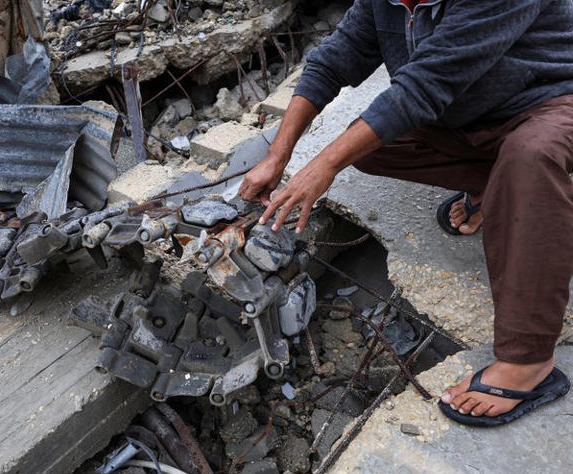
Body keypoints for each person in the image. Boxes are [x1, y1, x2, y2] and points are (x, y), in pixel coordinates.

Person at [238, 0, 573, 426]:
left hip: (553, 100)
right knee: (374, 145)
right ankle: (501, 184)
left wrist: (322, 166)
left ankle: (529, 363)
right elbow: (332, 63)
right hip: (474, 114)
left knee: (531, 155)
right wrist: (278, 155)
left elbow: (421, 88)